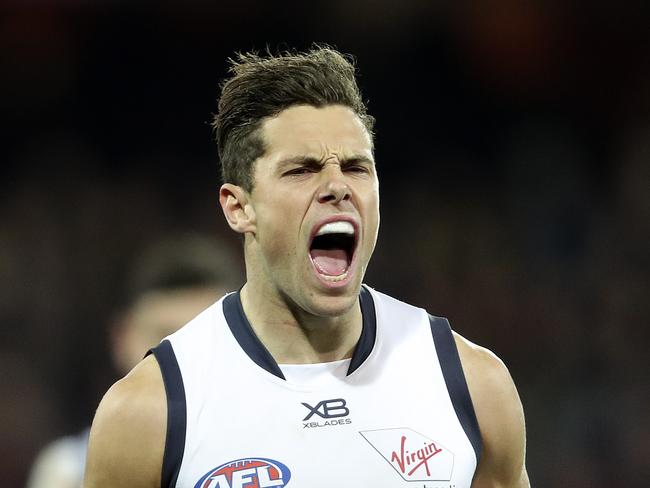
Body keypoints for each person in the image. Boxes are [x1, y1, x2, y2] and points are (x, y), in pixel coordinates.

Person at [84, 46, 529, 488]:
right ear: (238, 207)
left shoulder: (471, 385)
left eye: (357, 167)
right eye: (302, 170)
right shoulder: (150, 412)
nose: (336, 185)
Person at [27, 234, 241, 488]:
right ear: (122, 338)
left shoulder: (285, 439)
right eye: (165, 336)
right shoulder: (70, 471)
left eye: (202, 335)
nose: (183, 357)